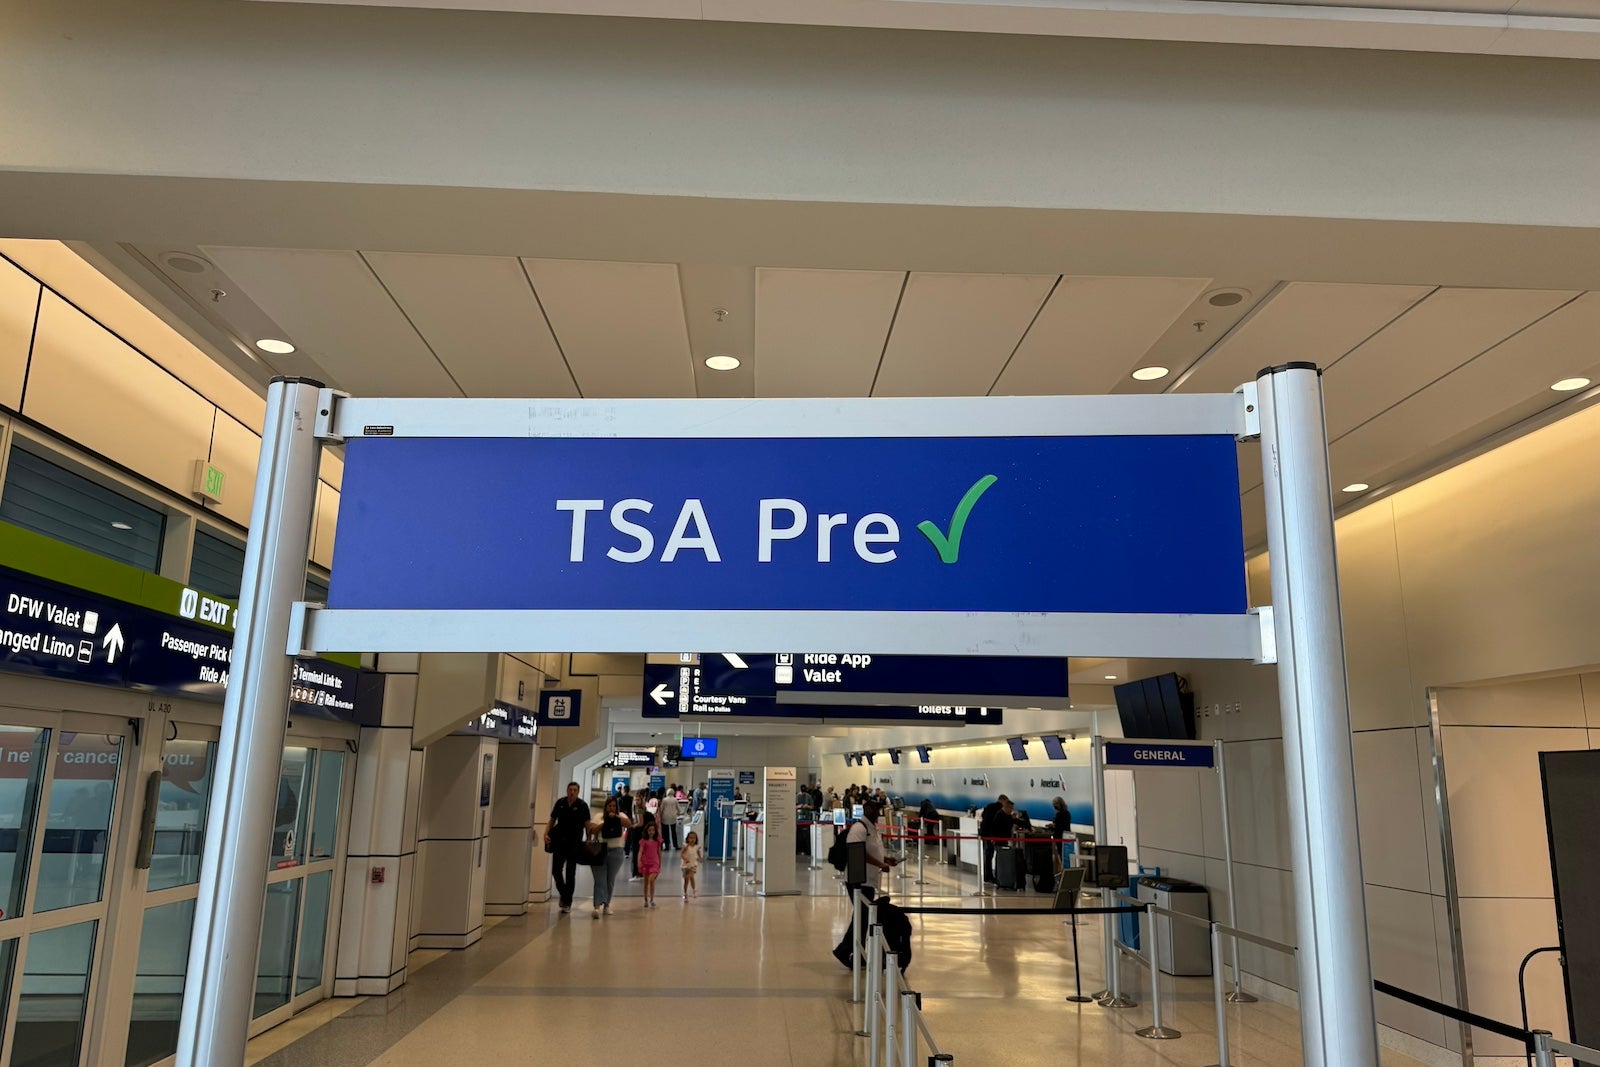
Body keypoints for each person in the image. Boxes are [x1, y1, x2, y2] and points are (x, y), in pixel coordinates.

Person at [832, 798, 899, 969]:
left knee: (862, 917)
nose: (879, 812)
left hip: (868, 880)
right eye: (876, 809)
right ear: (867, 809)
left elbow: (872, 851)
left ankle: (855, 952)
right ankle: (845, 950)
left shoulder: (871, 829)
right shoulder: (858, 829)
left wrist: (886, 859)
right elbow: (858, 853)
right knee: (862, 917)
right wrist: (880, 864)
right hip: (858, 880)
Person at [544, 782, 591, 914]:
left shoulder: (582, 806)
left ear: (578, 792)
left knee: (570, 873)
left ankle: (567, 902)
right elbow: (552, 820)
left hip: (574, 843)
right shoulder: (560, 803)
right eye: (570, 789)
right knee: (556, 870)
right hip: (559, 841)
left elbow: (587, 824)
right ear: (567, 790)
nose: (572, 792)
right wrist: (546, 833)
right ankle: (565, 895)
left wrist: (589, 838)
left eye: (575, 790)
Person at [586, 795, 633, 918]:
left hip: (616, 851)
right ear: (605, 807)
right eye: (609, 806)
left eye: (614, 806)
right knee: (599, 880)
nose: (611, 808)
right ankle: (596, 906)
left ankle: (607, 905)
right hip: (600, 850)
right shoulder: (598, 817)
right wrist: (605, 822)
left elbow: (629, 824)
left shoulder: (621, 816)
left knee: (610, 880)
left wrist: (616, 817)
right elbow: (593, 830)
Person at [978, 794, 1015, 891]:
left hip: (984, 834)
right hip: (992, 836)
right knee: (994, 855)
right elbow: (995, 823)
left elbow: (983, 816)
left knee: (987, 856)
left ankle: (987, 876)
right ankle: (993, 877)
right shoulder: (999, 809)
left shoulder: (989, 806)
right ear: (1003, 801)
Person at [637, 819, 663, 908]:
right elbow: (640, 852)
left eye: (653, 830)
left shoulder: (658, 841)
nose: (651, 832)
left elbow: (659, 853)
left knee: (652, 879)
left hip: (654, 863)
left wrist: (660, 864)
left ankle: (652, 899)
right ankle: (645, 899)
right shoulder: (644, 841)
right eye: (649, 830)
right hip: (645, 863)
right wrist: (639, 861)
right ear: (647, 831)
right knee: (646, 882)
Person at [658, 787, 681, 851]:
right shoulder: (675, 800)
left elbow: (661, 809)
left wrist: (660, 815)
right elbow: (679, 809)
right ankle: (675, 845)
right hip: (673, 817)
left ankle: (667, 846)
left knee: (665, 832)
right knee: (673, 831)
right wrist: (678, 813)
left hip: (665, 817)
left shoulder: (664, 800)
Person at [681, 829, 701, 899]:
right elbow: (682, 854)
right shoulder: (685, 846)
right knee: (686, 879)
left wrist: (700, 858)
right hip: (685, 865)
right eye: (690, 838)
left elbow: (698, 853)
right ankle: (685, 892)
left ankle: (694, 890)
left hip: (693, 864)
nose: (692, 839)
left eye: (694, 838)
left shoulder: (696, 847)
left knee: (691, 876)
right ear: (687, 839)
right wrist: (685, 859)